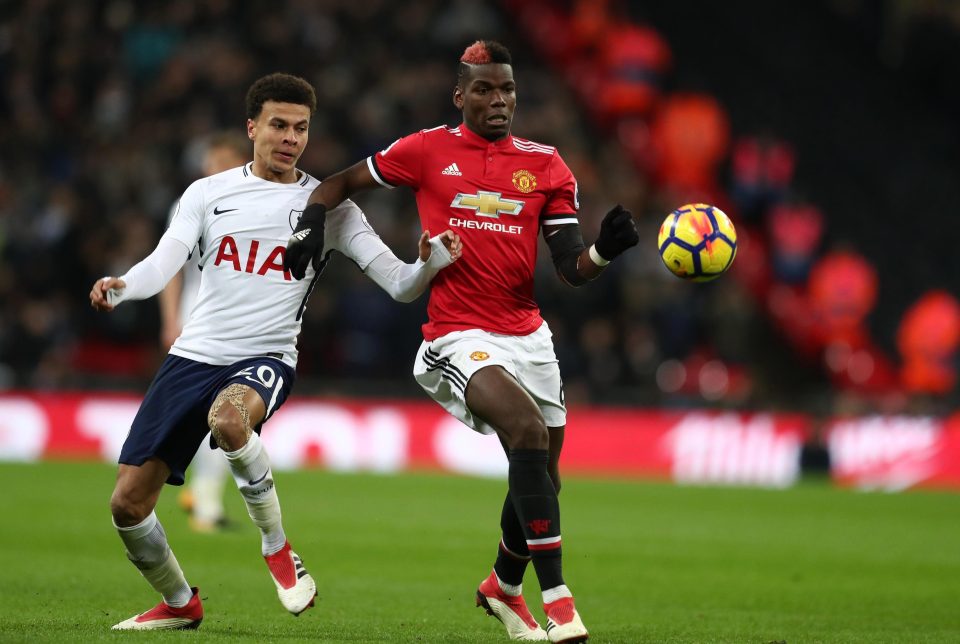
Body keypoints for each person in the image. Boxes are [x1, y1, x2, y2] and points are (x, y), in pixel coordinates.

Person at [285, 41, 638, 643]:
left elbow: (571, 268)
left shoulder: (547, 165)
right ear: (460, 95)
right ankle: (558, 599)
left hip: (527, 333)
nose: (498, 100)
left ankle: (502, 586)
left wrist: (604, 251)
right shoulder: (425, 150)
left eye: (506, 90)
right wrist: (310, 222)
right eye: (484, 89)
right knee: (524, 434)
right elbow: (340, 182)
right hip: (457, 333)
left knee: (542, 478)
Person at [89, 72, 462, 631]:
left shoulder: (330, 208)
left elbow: (402, 285)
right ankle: (179, 602)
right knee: (127, 505)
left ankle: (277, 548)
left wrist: (431, 262)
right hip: (193, 357)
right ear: (252, 128)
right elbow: (162, 263)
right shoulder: (208, 193)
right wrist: (122, 285)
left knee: (230, 421)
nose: (291, 138)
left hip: (264, 357)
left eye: (301, 128)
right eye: (279, 125)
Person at [158, 132, 249, 534]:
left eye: (225, 161)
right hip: (199, 318)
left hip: (240, 320)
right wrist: (170, 318)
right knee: (215, 414)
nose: (216, 169)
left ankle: (204, 497)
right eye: (212, 161)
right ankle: (201, 497)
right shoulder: (189, 202)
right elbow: (171, 267)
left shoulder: (253, 201)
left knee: (226, 414)